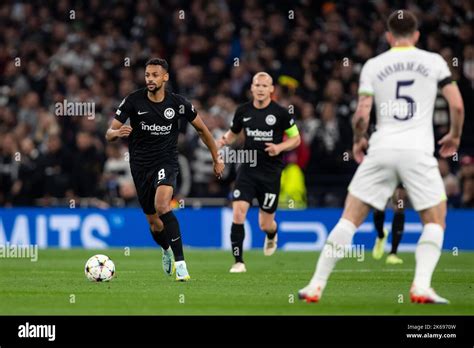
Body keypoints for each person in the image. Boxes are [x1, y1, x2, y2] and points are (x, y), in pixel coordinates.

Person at [298, 10, 464, 304]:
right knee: (435, 221)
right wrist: (454, 136)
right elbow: (457, 105)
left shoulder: (374, 65)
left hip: (382, 147)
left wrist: (359, 140)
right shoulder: (434, 61)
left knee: (349, 219)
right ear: (416, 36)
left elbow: (362, 113)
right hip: (418, 150)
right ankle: (421, 286)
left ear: (388, 36)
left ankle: (315, 285)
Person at [106, 58, 224, 281]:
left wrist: (216, 158)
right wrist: (117, 133)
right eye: (147, 75)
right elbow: (109, 132)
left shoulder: (178, 104)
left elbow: (202, 130)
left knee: (163, 206)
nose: (150, 79)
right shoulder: (133, 100)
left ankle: (181, 264)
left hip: (166, 162)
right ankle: (166, 250)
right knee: (154, 224)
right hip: (140, 167)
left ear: (165, 77)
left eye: (155, 75)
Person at [216, 72, 301, 273]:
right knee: (238, 212)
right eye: (257, 85)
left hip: (270, 173)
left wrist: (279, 148)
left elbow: (295, 139)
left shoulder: (280, 113)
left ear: (271, 89)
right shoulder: (243, 111)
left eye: (265, 86)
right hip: (247, 169)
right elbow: (234, 132)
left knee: (265, 223)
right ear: (252, 88)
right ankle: (238, 261)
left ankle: (272, 234)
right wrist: (223, 141)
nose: (261, 89)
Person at [372, 185, 406, 264]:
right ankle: (381, 235)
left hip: (400, 180)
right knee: (378, 208)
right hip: (384, 178)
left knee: (400, 206)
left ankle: (393, 253)